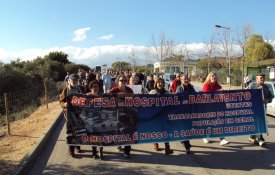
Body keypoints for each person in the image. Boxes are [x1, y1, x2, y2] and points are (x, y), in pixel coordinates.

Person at [202, 72, 230, 146]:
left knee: (219, 123)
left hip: (217, 108)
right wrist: (217, 92)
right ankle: (205, 136)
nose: (213, 77)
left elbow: (222, 95)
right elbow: (206, 95)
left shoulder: (218, 86)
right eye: (212, 76)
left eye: (215, 76)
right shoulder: (206, 85)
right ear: (209, 77)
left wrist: (225, 92)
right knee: (208, 123)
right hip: (208, 107)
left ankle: (222, 139)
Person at [110, 74, 134, 158]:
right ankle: (119, 144)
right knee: (119, 132)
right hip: (116, 115)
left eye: (125, 81)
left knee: (128, 132)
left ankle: (127, 151)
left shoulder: (129, 90)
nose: (123, 82)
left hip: (127, 115)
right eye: (121, 81)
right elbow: (108, 100)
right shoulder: (113, 91)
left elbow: (134, 101)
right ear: (118, 82)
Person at [59, 73, 83, 157]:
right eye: (73, 80)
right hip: (69, 114)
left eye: (76, 80)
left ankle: (78, 146)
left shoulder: (80, 88)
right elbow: (61, 100)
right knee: (70, 131)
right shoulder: (66, 89)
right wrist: (64, 104)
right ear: (69, 80)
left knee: (79, 130)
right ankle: (71, 149)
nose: (75, 81)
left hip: (78, 113)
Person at [246, 72, 272, 146]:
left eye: (263, 77)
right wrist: (257, 90)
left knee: (261, 122)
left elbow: (270, 97)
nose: (262, 79)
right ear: (257, 78)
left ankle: (255, 137)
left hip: (263, 108)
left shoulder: (266, 87)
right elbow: (247, 95)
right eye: (261, 78)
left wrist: (267, 100)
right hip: (254, 108)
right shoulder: (252, 85)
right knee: (255, 122)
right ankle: (259, 138)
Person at [150, 78, 174, 155]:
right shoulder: (152, 92)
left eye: (161, 82)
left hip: (164, 115)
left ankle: (167, 148)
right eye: (158, 83)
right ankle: (155, 144)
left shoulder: (167, 92)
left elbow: (172, 102)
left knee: (165, 131)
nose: (160, 84)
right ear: (156, 84)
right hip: (155, 115)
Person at [175, 74, 195, 154]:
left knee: (188, 128)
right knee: (184, 128)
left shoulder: (191, 88)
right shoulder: (179, 88)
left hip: (189, 111)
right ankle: (187, 146)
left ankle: (183, 140)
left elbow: (195, 97)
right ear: (181, 80)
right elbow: (176, 99)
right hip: (182, 112)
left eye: (187, 79)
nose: (185, 80)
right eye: (184, 79)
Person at [87, 80, 104, 159]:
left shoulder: (102, 96)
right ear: (90, 88)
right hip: (91, 121)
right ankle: (94, 152)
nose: (95, 88)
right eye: (93, 87)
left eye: (97, 87)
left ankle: (100, 151)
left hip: (101, 120)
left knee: (101, 136)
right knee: (93, 137)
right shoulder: (87, 96)